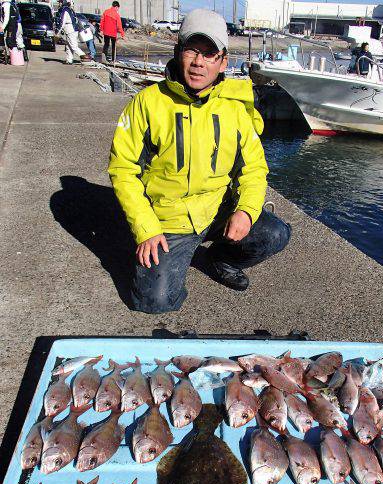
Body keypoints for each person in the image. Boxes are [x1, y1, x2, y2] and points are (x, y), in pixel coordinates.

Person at [108, 9, 291, 314]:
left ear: (223, 61)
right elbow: (123, 171)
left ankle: (220, 258)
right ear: (178, 52)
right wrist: (146, 229)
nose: (198, 62)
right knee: (153, 303)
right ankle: (171, 257)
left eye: (209, 54)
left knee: (276, 233)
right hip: (168, 220)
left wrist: (245, 211)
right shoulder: (147, 103)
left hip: (217, 211)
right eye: (192, 50)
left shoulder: (235, 108)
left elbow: (254, 169)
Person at [55, 0, 89, 64]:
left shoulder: (65, 10)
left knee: (73, 46)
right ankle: (69, 60)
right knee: (68, 46)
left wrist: (57, 31)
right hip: (72, 29)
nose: (59, 3)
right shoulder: (70, 10)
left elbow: (62, 21)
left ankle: (83, 55)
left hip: (70, 29)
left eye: (60, 2)